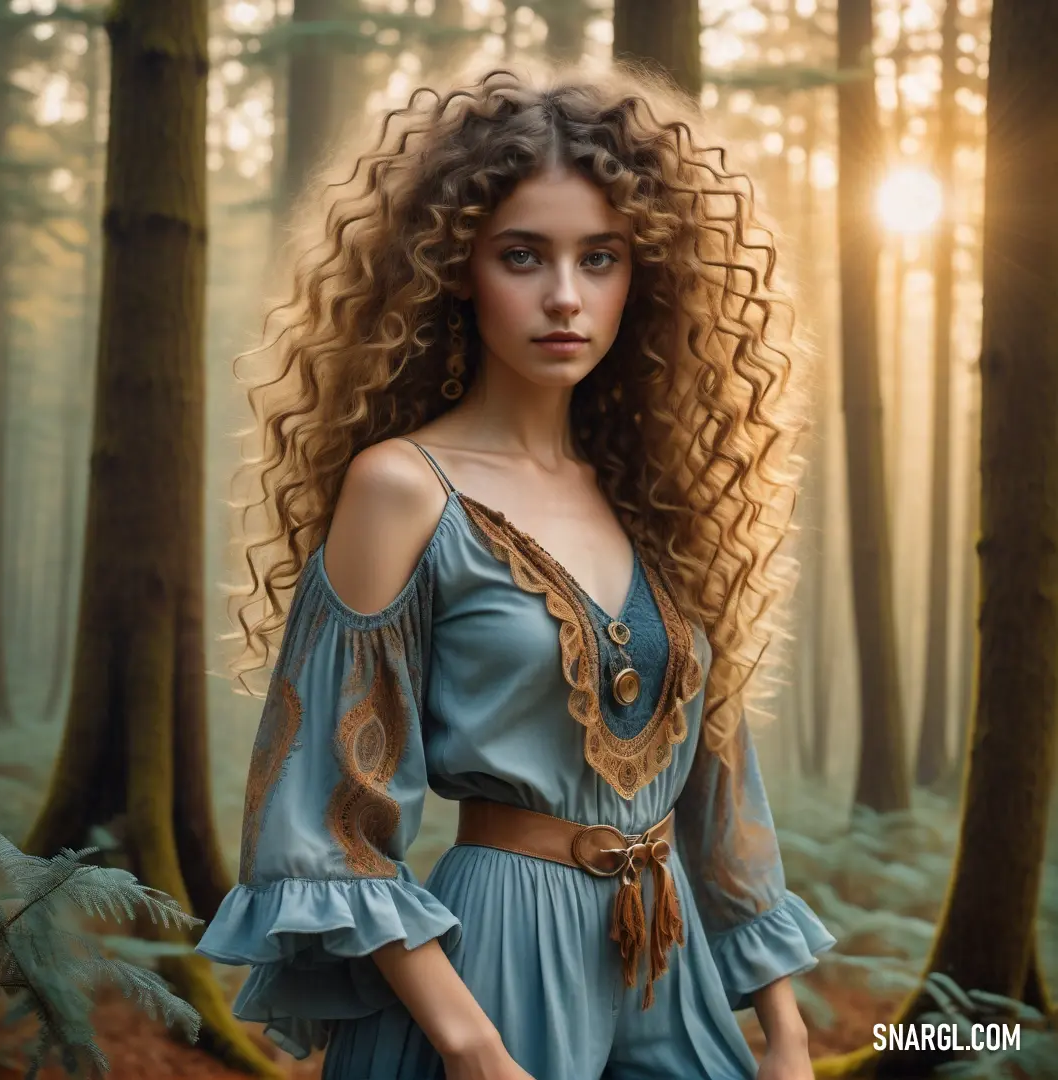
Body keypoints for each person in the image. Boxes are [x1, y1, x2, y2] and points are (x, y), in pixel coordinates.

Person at [196, 63, 835, 1080]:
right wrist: (469, 1043)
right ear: (457, 268)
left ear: (646, 274)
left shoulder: (659, 502)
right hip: (493, 964)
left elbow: (722, 796)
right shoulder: (402, 490)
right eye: (524, 256)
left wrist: (787, 1033)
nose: (566, 297)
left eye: (601, 257)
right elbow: (327, 820)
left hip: (672, 972)